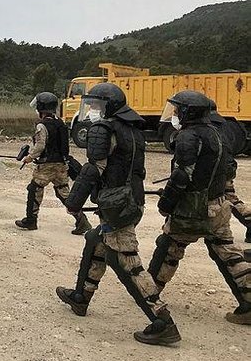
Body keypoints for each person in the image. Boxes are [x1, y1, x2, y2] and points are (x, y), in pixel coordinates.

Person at [56, 83, 179, 346]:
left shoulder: (104, 129)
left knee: (128, 263)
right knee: (95, 241)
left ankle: (162, 321)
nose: (92, 110)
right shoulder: (133, 130)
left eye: (96, 105)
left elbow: (94, 169)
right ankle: (81, 297)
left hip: (116, 206)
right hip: (131, 201)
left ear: (108, 106)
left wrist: (74, 202)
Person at [147, 91, 250, 326]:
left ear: (188, 112)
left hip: (193, 210)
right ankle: (248, 301)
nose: (174, 113)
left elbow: (182, 176)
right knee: (229, 255)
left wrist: (166, 204)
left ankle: (148, 294)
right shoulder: (218, 134)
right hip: (218, 205)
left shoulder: (188, 136)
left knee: (169, 247)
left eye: (177, 109)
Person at [15, 92, 91, 235]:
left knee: (34, 189)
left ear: (41, 108)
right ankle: (82, 221)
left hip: (46, 165)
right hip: (62, 164)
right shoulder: (60, 123)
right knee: (64, 193)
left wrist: (29, 157)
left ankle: (31, 220)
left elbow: (40, 146)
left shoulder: (42, 126)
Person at [207, 100, 251, 260]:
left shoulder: (211, 127)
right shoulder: (224, 123)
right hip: (227, 168)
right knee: (231, 199)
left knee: (230, 200)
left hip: (220, 171)